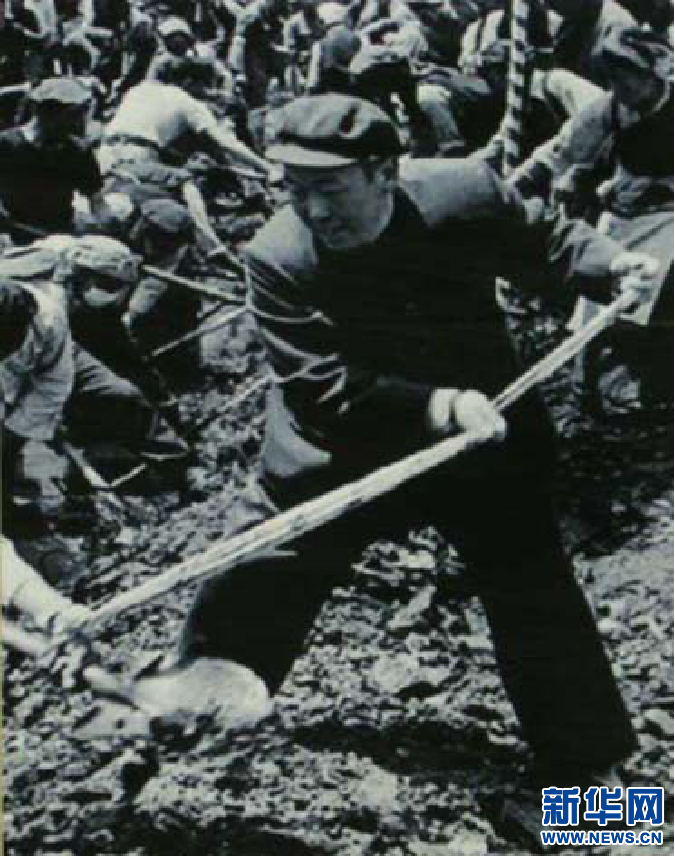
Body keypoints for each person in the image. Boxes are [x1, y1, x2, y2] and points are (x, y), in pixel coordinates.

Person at [180, 96, 660, 813]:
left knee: (535, 594)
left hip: (483, 442)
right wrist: (439, 406)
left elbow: (548, 240)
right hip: (343, 452)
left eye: (330, 188)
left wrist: (612, 262)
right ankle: (179, 732)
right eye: (296, 189)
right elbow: (321, 387)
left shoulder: (463, 193)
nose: (313, 210)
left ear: (385, 172)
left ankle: (599, 805)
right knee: (257, 571)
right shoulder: (278, 256)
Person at [514, 27, 674, 410]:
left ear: (652, 75)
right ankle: (585, 385)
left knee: (649, 299)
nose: (620, 85)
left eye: (628, 75)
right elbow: (561, 150)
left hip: (668, 216)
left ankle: (639, 380)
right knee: (600, 300)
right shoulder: (610, 109)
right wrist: (515, 186)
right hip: (623, 210)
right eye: (613, 76)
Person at [0, 78, 106, 244]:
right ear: (42, 113)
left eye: (78, 115)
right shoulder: (7, 145)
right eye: (69, 115)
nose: (75, 122)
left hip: (60, 237)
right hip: (12, 235)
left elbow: (97, 201)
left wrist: (107, 225)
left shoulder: (78, 151)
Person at [98, 80, 271, 179]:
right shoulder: (190, 103)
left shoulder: (140, 89)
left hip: (104, 151)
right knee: (184, 187)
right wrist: (268, 168)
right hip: (137, 154)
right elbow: (226, 142)